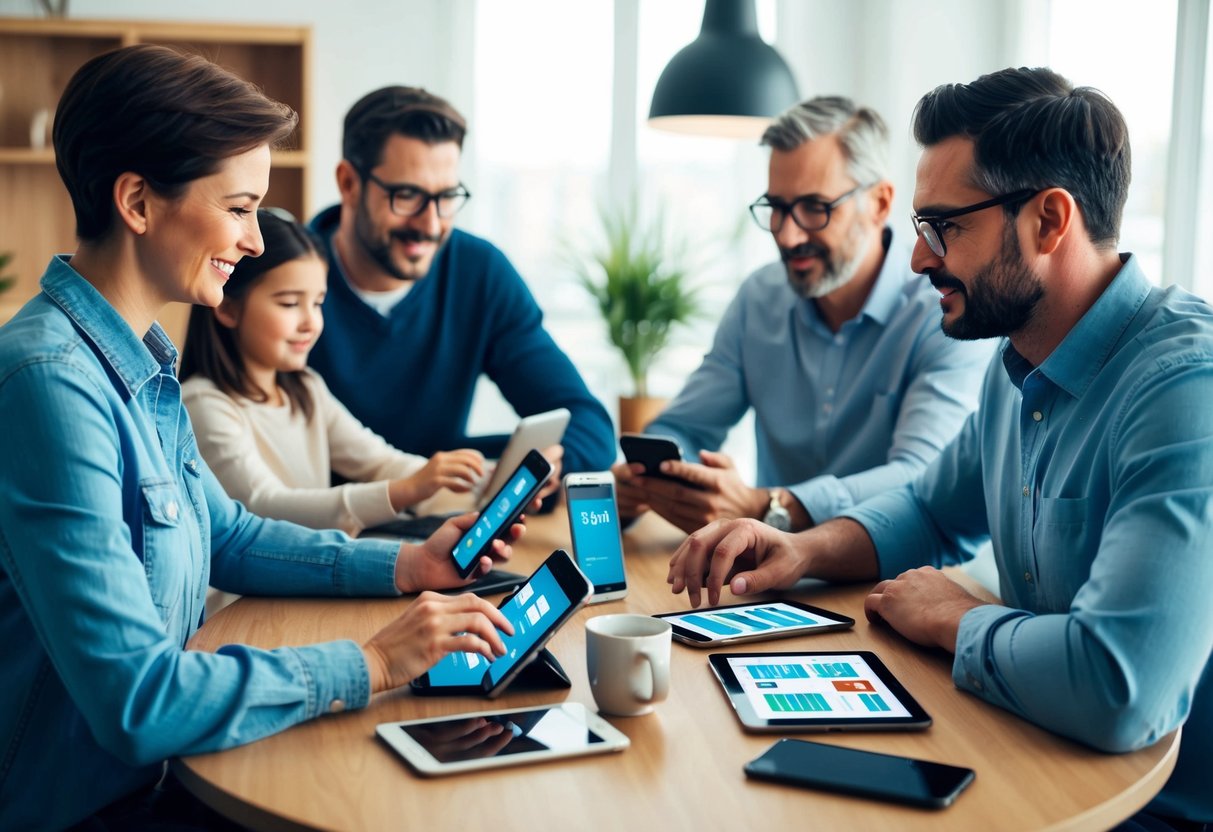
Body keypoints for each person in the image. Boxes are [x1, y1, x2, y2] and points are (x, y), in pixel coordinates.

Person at [0, 45, 533, 830]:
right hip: (96, 808)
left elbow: (232, 536)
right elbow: (136, 701)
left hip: (160, 776)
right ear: (138, 203)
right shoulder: (51, 382)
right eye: (240, 207)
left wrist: (409, 563)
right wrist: (374, 662)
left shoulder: (138, 359)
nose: (255, 240)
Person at [667, 67, 1213, 828]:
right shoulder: (1017, 356)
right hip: (1036, 749)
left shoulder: (1186, 392)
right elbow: (929, 508)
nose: (919, 258)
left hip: (1154, 802)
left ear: (1049, 221)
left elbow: (1120, 687)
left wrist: (952, 620)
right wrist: (804, 549)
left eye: (944, 227)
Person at [614, 96, 993, 534]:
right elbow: (682, 428)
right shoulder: (760, 299)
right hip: (767, 572)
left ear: (879, 203)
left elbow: (922, 478)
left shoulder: (946, 309)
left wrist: (772, 505)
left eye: (815, 208)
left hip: (901, 578)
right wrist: (653, 481)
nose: (789, 235)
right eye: (776, 207)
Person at [307, 85, 615, 491]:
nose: (431, 225)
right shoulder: (277, 276)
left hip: (440, 522)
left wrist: (547, 470)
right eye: (407, 196)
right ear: (348, 183)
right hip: (312, 528)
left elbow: (588, 426)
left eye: (446, 197)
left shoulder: (479, 273)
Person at [180, 208, 487, 537]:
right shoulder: (203, 404)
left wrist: (483, 480)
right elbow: (265, 505)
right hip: (250, 590)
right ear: (227, 308)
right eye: (289, 304)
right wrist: (408, 489)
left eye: (317, 303)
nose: (311, 323)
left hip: (308, 581)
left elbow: (380, 462)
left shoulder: (305, 389)